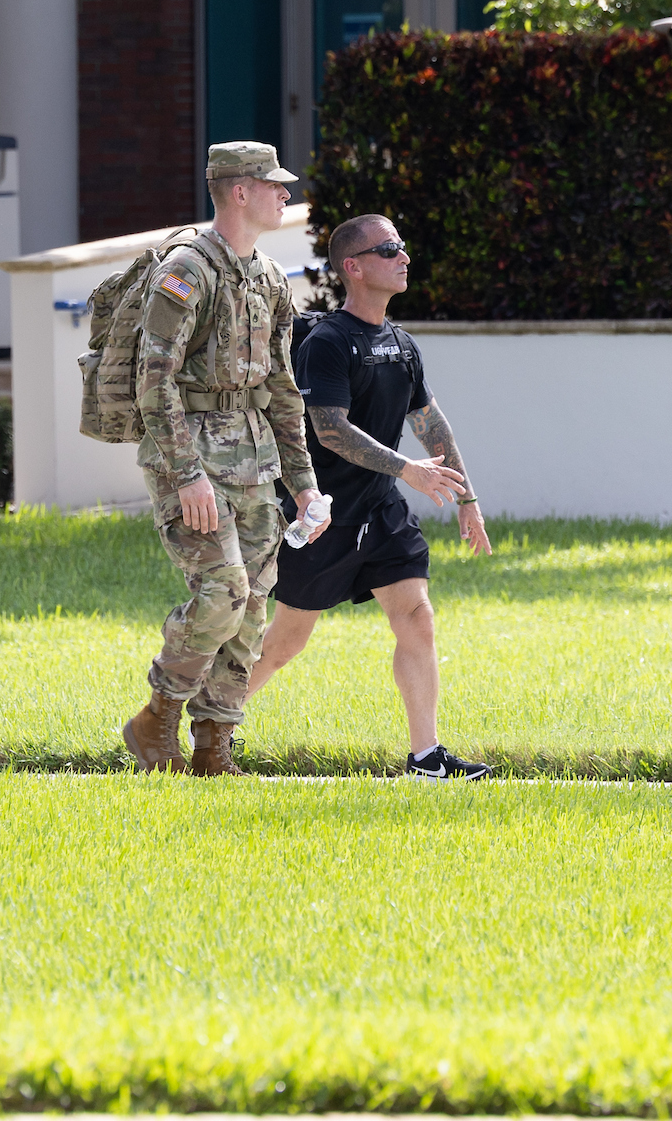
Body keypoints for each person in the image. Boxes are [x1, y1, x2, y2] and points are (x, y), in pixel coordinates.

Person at [249, 212, 494, 780]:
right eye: (390, 250)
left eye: (403, 247)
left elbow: (431, 422)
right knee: (286, 642)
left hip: (382, 512)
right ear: (354, 268)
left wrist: (467, 498)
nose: (404, 257)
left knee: (416, 617)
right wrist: (409, 469)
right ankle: (215, 724)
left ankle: (426, 756)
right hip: (323, 515)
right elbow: (329, 428)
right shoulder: (329, 343)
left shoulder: (402, 344)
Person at [120, 142, 326, 777]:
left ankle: (214, 745)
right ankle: (156, 718)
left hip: (255, 459)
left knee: (254, 604)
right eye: (274, 186)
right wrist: (186, 476)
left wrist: (305, 487)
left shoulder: (267, 275)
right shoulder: (187, 269)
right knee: (223, 593)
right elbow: (154, 380)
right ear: (240, 192)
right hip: (192, 460)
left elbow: (285, 389)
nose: (285, 196)